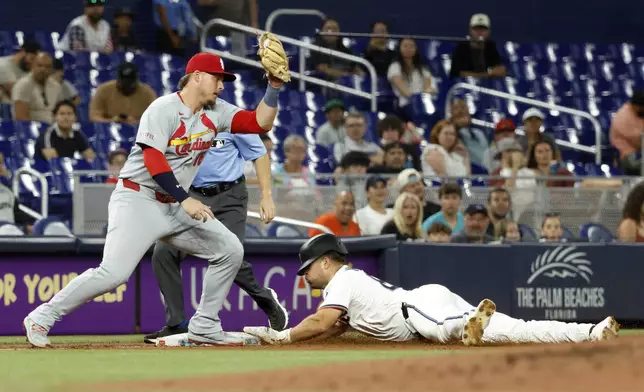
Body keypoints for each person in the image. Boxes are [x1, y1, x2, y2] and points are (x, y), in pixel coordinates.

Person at [23, 51, 284, 348]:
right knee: (113, 274)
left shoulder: (218, 110)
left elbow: (258, 123)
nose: (221, 86)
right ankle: (42, 317)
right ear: (196, 77)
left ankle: (205, 325)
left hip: (174, 204)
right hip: (139, 199)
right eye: (217, 78)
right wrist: (185, 199)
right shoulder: (162, 108)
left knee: (230, 250)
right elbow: (153, 158)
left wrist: (273, 87)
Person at [243, 233, 619, 346]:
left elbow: (322, 322)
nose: (304, 278)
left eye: (306, 269)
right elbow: (333, 328)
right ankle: (591, 330)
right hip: (425, 306)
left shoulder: (342, 280)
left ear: (326, 261)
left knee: (442, 330)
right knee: (516, 328)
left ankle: (467, 322)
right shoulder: (349, 283)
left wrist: (282, 337)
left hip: (418, 307)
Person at [144, 129, 288, 344]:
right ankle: (176, 324)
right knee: (163, 251)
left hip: (230, 197)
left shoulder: (232, 118)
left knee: (230, 254)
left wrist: (266, 196)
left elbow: (259, 153)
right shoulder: (181, 119)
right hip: (192, 196)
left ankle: (264, 298)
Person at [89, 62, 157, 124]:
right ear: (118, 79)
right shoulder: (103, 89)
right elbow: (94, 116)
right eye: (124, 82)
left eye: (130, 82)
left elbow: (156, 118)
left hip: (139, 131)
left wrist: (136, 122)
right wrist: (112, 121)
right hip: (110, 130)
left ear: (136, 80)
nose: (127, 85)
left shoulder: (147, 92)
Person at [387, 37, 435, 121]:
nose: (408, 49)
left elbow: (428, 86)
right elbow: (402, 89)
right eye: (405, 46)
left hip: (423, 103)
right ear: (400, 48)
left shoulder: (423, 68)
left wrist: (422, 99)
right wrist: (416, 99)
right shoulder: (394, 67)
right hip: (406, 104)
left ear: (416, 49)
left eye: (411, 46)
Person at [449, 13, 505, 79]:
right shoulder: (461, 48)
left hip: (489, 87)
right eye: (476, 29)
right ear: (470, 30)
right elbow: (458, 74)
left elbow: (500, 70)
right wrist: (487, 74)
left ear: (489, 31)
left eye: (483, 29)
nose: (479, 32)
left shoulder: (492, 47)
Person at [12, 52, 62, 123]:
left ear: (51, 69)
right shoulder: (22, 86)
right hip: (33, 130)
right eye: (39, 65)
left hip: (53, 128)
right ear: (32, 66)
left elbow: (60, 111)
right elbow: (21, 119)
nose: (43, 69)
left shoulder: (56, 86)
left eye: (47, 66)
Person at [609, 90, 644, 175]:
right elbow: (638, 142)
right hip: (626, 155)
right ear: (636, 106)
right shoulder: (623, 117)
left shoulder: (639, 113)